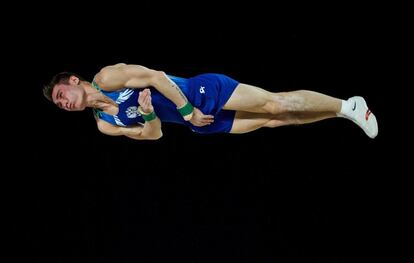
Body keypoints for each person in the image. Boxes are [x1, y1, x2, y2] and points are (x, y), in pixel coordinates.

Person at [43, 63, 378, 140]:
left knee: (275, 104)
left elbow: (158, 77)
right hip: (199, 123)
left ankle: (347, 105)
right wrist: (147, 115)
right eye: (59, 105)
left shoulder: (107, 77)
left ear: (74, 81)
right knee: (278, 120)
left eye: (61, 95)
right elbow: (153, 135)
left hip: (200, 94)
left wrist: (188, 110)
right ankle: (341, 113)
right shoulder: (105, 125)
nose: (64, 103)